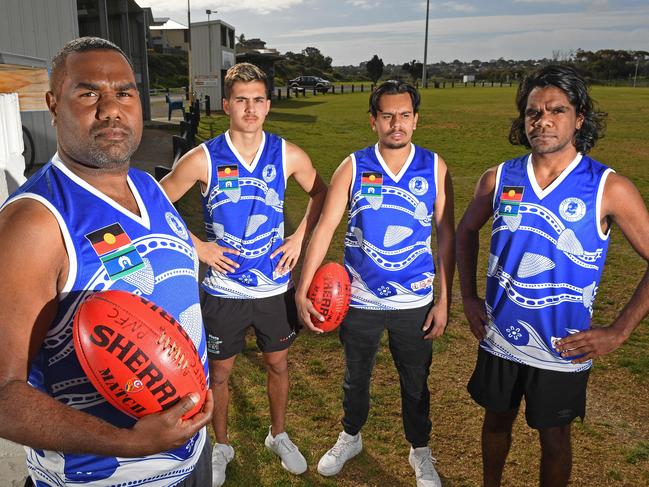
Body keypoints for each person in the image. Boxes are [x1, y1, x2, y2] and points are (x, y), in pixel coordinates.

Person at [0, 37, 213, 486]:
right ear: (53, 105)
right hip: (105, 476)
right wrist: (130, 443)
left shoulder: (147, 186)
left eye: (124, 92)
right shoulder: (35, 223)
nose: (111, 108)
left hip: (191, 457)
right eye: (89, 92)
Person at [456, 64, 649, 487]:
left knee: (555, 438)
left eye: (556, 110)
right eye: (532, 112)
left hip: (562, 347)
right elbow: (466, 231)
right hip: (500, 337)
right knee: (495, 423)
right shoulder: (499, 178)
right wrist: (468, 298)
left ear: (579, 118)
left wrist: (618, 332)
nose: (542, 120)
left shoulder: (608, 187)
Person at [160, 62, 326, 486]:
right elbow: (157, 206)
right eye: (241, 101)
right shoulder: (203, 158)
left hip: (274, 287)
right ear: (227, 105)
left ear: (267, 105)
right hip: (222, 289)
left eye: (257, 100)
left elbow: (321, 192)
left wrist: (298, 238)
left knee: (278, 364)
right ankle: (222, 445)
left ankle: (278, 434)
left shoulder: (287, 153)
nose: (250, 109)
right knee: (219, 374)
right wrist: (200, 247)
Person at [295, 80, 455, 487]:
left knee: (416, 382)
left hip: (414, 301)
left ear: (416, 120)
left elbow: (446, 236)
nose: (396, 123)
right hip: (360, 299)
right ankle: (351, 436)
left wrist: (444, 300)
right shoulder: (353, 166)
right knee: (355, 376)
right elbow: (327, 226)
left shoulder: (435, 167)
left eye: (404, 115)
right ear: (373, 121)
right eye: (387, 115)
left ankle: (420, 450)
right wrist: (302, 288)